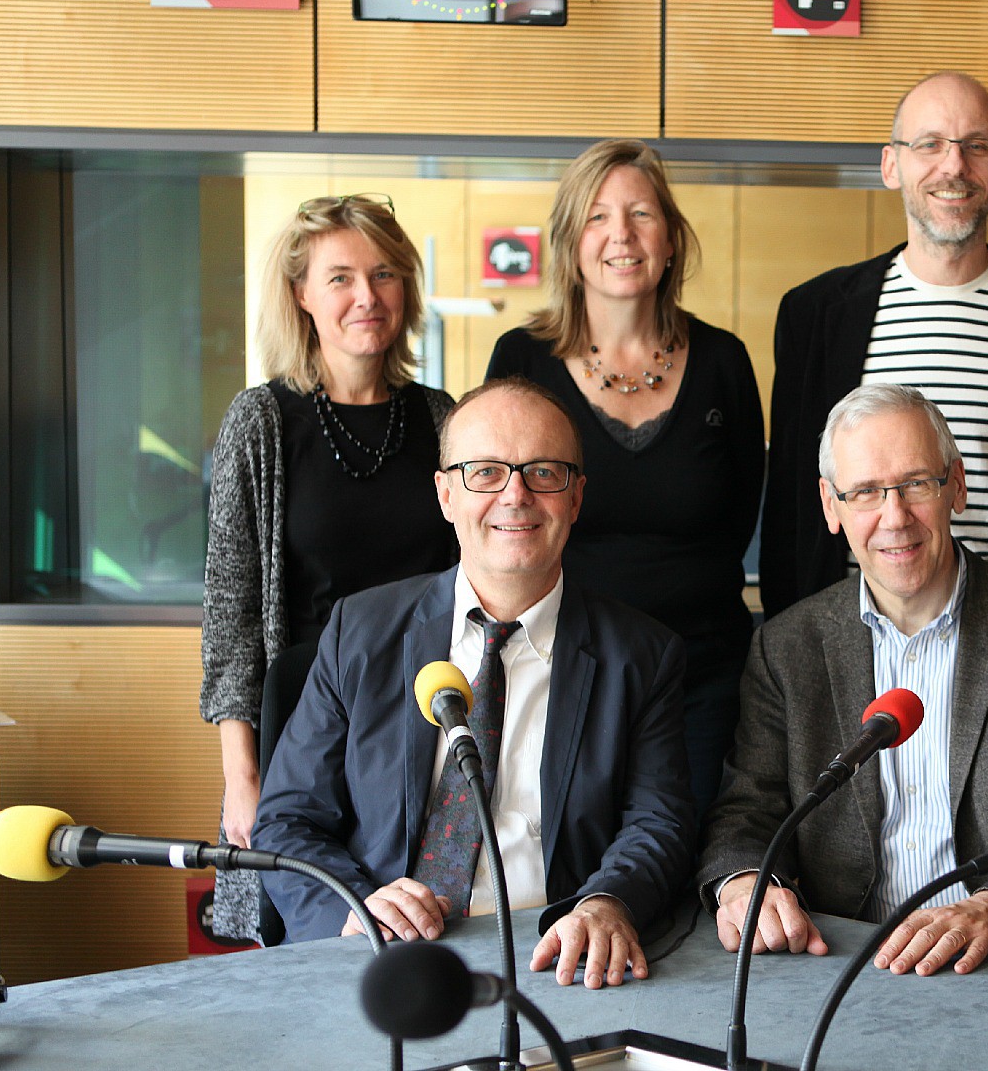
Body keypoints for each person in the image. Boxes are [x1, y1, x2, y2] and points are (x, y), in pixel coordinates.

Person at [254, 378, 696, 989]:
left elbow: (659, 823)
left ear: (576, 497)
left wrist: (607, 904)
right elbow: (285, 822)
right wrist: (355, 910)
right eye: (485, 472)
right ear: (445, 494)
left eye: (544, 472)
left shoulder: (641, 656)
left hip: (556, 967)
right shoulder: (360, 632)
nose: (515, 495)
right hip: (382, 960)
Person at [700, 384, 988, 976]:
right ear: (831, 506)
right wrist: (748, 881)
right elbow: (747, 809)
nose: (894, 517)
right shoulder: (788, 647)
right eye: (866, 493)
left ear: (956, 484)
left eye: (915, 484)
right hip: (841, 961)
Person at [759, 70, 988, 617]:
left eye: (976, 146)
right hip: (853, 642)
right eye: (929, 144)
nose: (954, 166)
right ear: (890, 164)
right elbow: (792, 509)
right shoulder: (814, 317)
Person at [200, 194, 457, 944]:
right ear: (301, 295)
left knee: (420, 925)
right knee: (310, 934)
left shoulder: (443, 418)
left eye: (384, 275)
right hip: (300, 732)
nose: (366, 298)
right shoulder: (263, 421)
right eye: (339, 277)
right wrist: (242, 777)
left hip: (418, 723)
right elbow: (230, 614)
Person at [485, 139, 763, 820]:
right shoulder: (522, 359)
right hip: (563, 671)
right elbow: (500, 519)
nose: (622, 235)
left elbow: (743, 519)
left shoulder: (724, 360)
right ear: (570, 242)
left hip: (704, 676)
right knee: (579, 872)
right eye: (598, 217)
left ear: (670, 239)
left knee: (692, 861)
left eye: (641, 214)